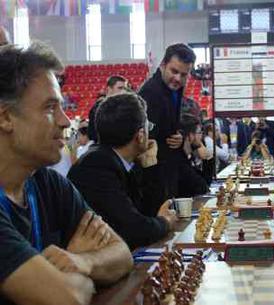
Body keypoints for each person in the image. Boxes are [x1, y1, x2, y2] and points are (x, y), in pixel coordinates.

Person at [0, 42, 132, 305]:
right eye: (50, 108)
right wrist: (69, 277)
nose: (65, 121)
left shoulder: (46, 182)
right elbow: (67, 297)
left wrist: (81, 261)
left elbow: (122, 253)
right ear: (5, 117)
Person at [68, 93, 177, 250]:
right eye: (148, 127)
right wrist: (165, 222)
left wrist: (150, 164)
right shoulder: (96, 165)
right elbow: (135, 230)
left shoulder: (119, 160)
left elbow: (151, 212)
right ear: (140, 136)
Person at [138, 43, 196, 203]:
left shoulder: (174, 87)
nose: (178, 78)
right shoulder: (150, 92)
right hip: (156, 172)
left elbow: (174, 125)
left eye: (183, 74)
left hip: (171, 166)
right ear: (163, 65)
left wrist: (180, 136)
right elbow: (145, 138)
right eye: (174, 71)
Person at [177, 113, 210, 197]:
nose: (201, 136)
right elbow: (202, 187)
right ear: (190, 136)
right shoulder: (180, 161)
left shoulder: (189, 157)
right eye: (199, 132)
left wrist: (208, 158)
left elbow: (207, 183)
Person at [87, 75, 128, 142]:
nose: (124, 91)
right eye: (120, 88)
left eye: (125, 89)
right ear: (109, 89)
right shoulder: (100, 106)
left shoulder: (121, 106)